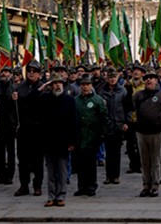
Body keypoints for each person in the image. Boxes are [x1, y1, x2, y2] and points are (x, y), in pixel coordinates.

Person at [132, 70, 161, 198]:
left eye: (152, 78)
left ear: (156, 80)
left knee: (155, 160)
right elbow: (132, 110)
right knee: (144, 161)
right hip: (141, 132)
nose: (149, 80)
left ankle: (155, 185)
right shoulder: (138, 95)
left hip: (156, 132)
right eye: (147, 78)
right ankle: (146, 185)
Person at [39, 73, 77, 207]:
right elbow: (40, 119)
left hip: (63, 141)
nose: (57, 85)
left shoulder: (69, 100)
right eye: (54, 83)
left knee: (62, 171)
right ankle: (50, 196)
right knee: (50, 171)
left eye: (59, 83)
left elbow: (73, 122)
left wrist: (72, 141)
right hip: (49, 140)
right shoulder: (44, 99)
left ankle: (61, 195)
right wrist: (41, 88)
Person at [13, 62, 45, 197]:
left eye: (34, 71)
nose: (31, 73)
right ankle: (24, 185)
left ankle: (37, 185)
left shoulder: (43, 87)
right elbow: (14, 109)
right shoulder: (20, 87)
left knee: (37, 160)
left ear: (39, 73)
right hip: (23, 128)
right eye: (29, 70)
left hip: (38, 129)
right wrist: (13, 99)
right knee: (23, 160)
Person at [74, 74, 108, 197]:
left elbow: (104, 118)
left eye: (87, 84)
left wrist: (102, 134)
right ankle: (81, 186)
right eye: (83, 85)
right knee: (80, 164)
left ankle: (91, 186)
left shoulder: (97, 100)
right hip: (80, 137)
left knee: (90, 164)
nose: (85, 87)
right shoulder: (76, 100)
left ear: (91, 86)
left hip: (93, 136)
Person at [96, 69, 128, 186]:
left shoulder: (122, 91)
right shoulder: (101, 91)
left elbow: (127, 108)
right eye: (110, 77)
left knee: (116, 152)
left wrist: (125, 122)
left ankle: (116, 175)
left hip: (118, 124)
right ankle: (109, 176)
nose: (112, 79)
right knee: (108, 152)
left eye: (114, 77)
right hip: (106, 125)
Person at [0, 66, 17, 185]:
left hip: (10, 124)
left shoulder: (14, 88)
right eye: (3, 72)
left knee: (10, 151)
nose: (4, 74)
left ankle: (10, 175)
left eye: (7, 72)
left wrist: (14, 99)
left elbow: (16, 108)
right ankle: (1, 175)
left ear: (11, 74)